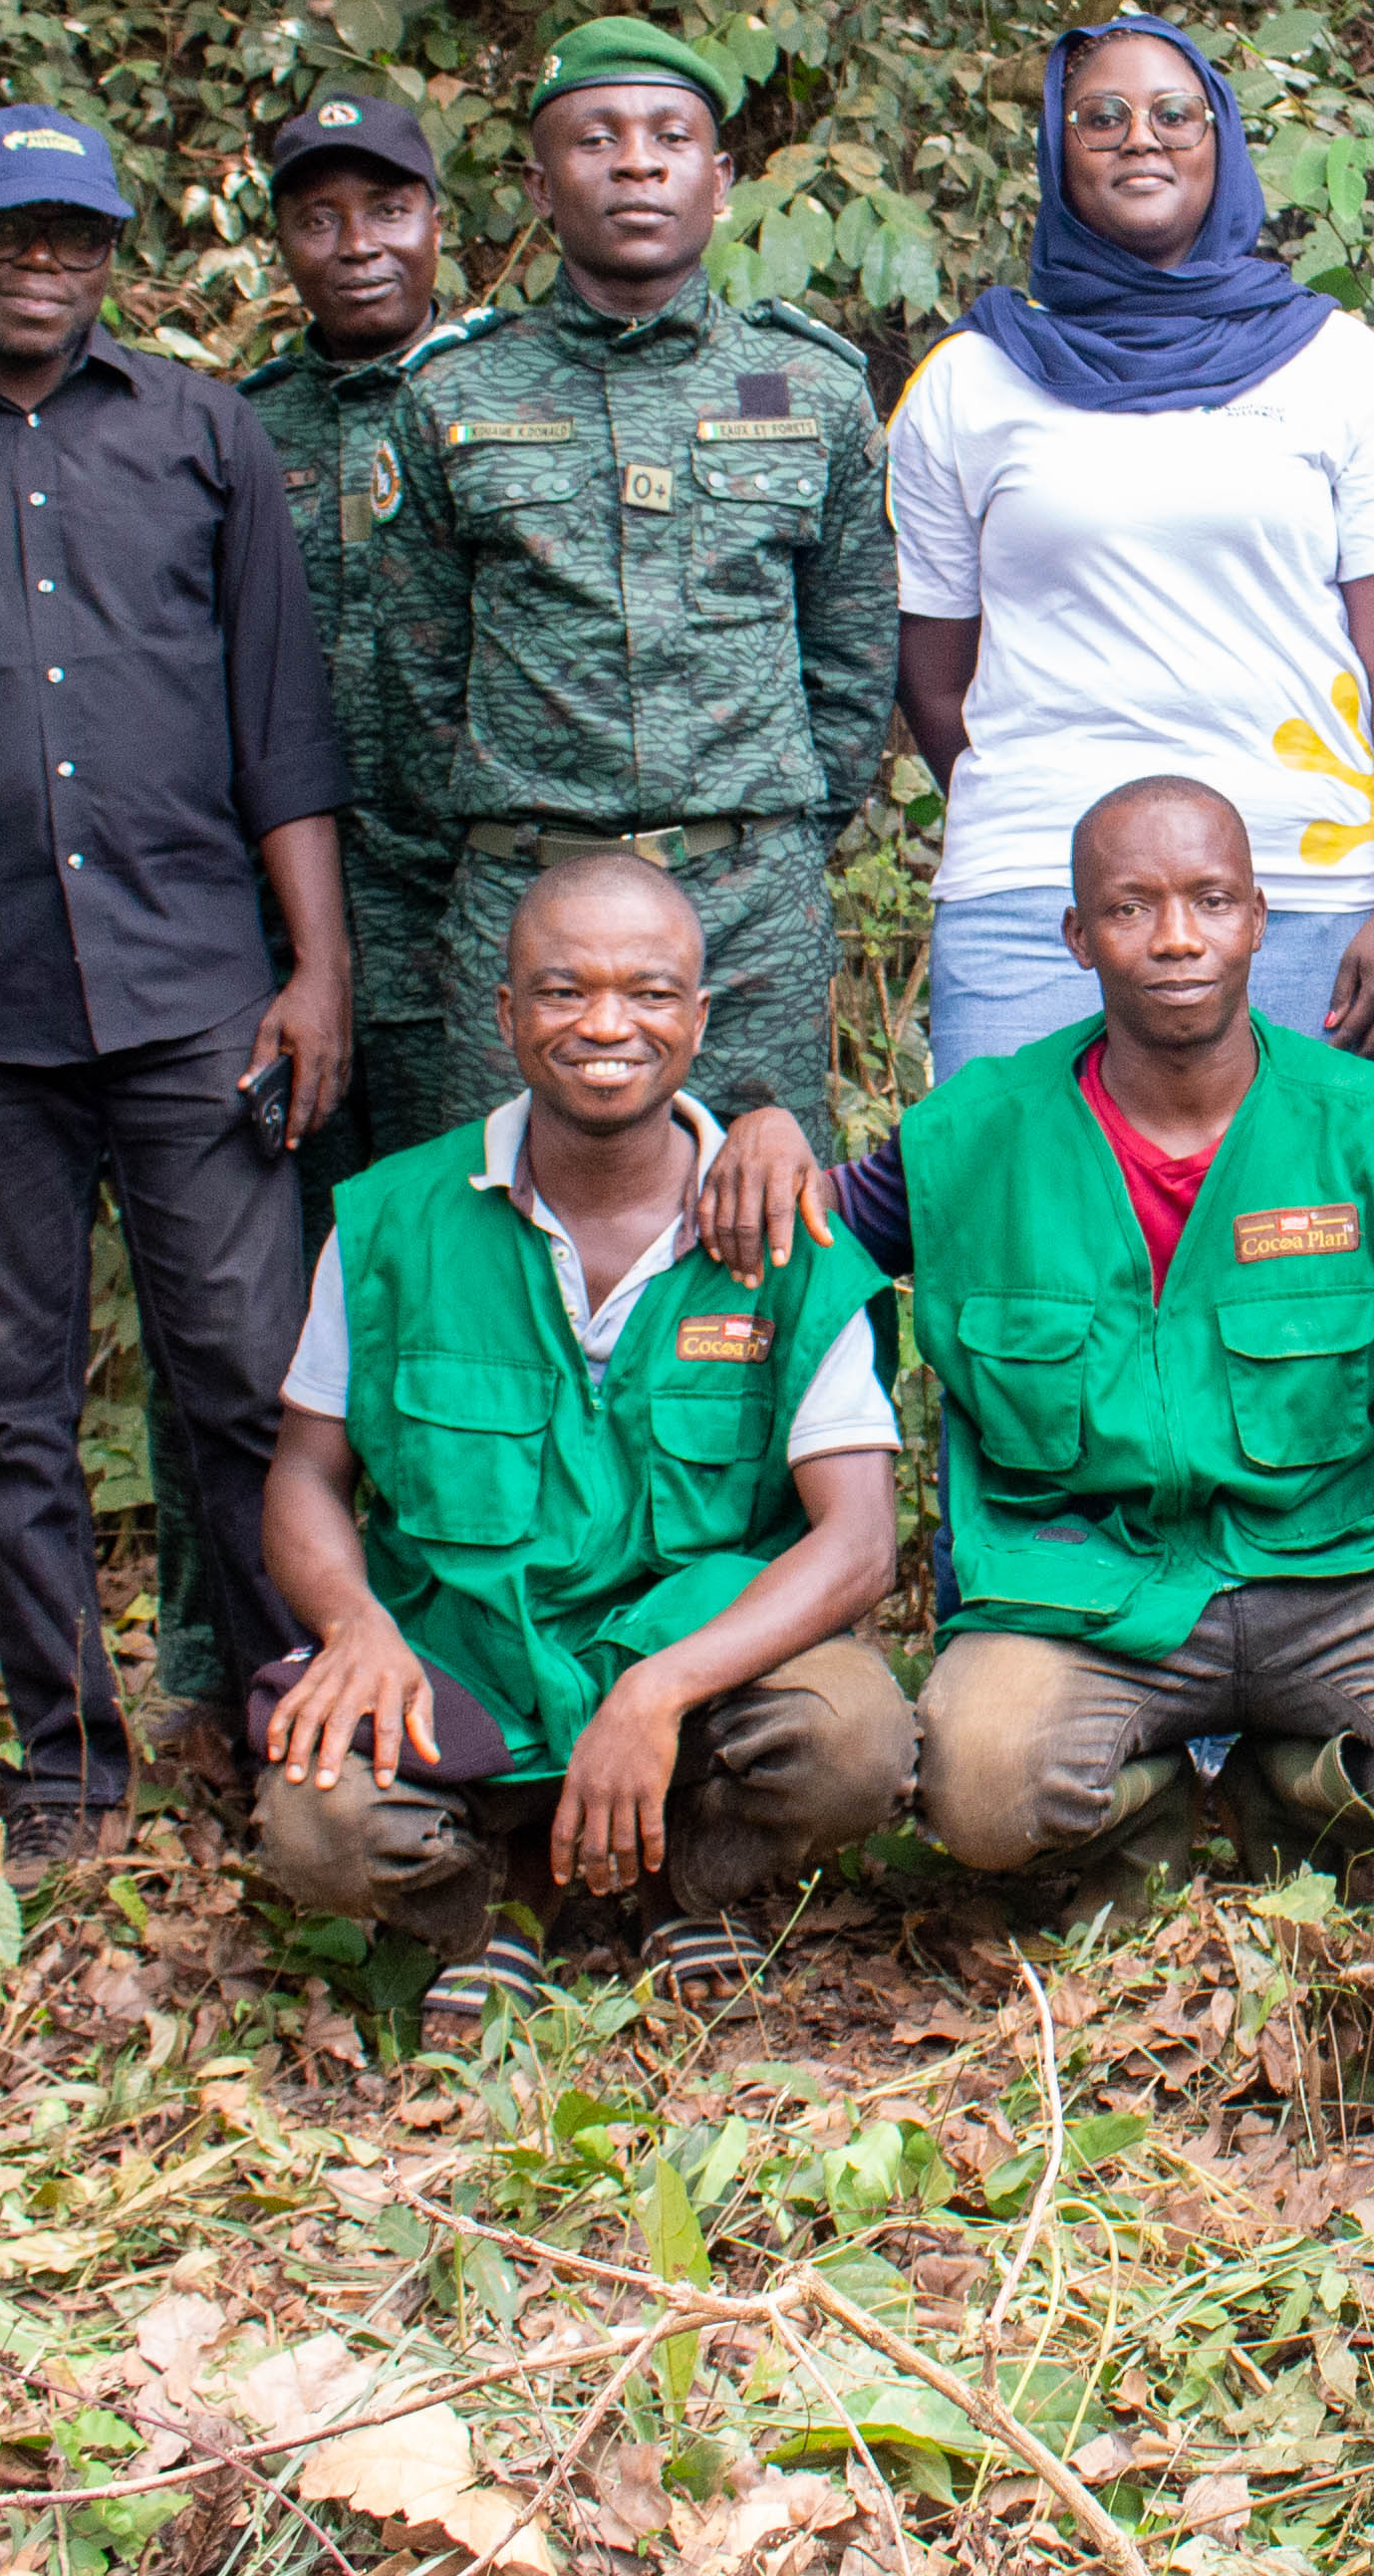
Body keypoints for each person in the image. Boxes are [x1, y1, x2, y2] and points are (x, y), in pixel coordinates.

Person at [714, 778, 1374, 1884]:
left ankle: (1284, 1792)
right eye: (1130, 908)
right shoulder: (973, 1137)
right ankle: (1147, 1812)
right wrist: (764, 1137)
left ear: (1259, 919)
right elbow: (793, 1240)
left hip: (1337, 1565)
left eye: (1212, 900)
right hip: (1081, 1587)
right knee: (987, 1793)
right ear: (1077, 936)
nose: (1176, 938)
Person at [0, 104, 351, 1874]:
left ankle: (285, 1714)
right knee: (7, 1396)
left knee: (244, 1377)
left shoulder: (199, 431)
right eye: (6, 232)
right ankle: (65, 1761)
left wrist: (315, 966)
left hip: (193, 990)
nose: (40, 265)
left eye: (73, 237)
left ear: (110, 259)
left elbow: (277, 717)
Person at [256, 858, 917, 2038]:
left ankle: (683, 1883)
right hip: (468, 1670)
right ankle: (498, 1905)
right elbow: (307, 1472)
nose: (607, 1026)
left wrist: (659, 1689)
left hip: (698, 1674)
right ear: (507, 1013)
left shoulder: (786, 1236)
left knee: (856, 1738)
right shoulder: (392, 1219)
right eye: (565, 992)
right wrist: (354, 1626)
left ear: (699, 1020)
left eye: (649, 994)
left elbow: (861, 1542)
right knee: (316, 1825)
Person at [892, 16, 1374, 1077]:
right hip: (1034, 892)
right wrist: (1042, 792)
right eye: (1100, 117)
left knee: (1299, 1188)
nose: (1139, 137)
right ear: (1057, 151)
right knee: (1013, 1183)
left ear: (1220, 139)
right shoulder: (969, 381)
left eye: (1174, 114)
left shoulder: (1336, 365)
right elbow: (933, 675)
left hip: (1298, 884)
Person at [368, 24, 891, 1132]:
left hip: (748, 917)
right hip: (527, 904)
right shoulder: (453, 395)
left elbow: (851, 666)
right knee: (502, 1209)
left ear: (722, 181)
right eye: (597, 139)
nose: (638, 164)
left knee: (759, 1208)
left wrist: (764, 835)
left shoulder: (808, 389)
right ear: (539, 187)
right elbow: (414, 680)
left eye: (670, 138)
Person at [237, 87, 492, 1176]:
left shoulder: (510, 398)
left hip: (471, 913)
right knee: (309, 1237)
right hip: (288, 923)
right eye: (318, 220)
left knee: (469, 1221)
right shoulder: (241, 425)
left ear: (437, 222)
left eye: (388, 210)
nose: (356, 247)